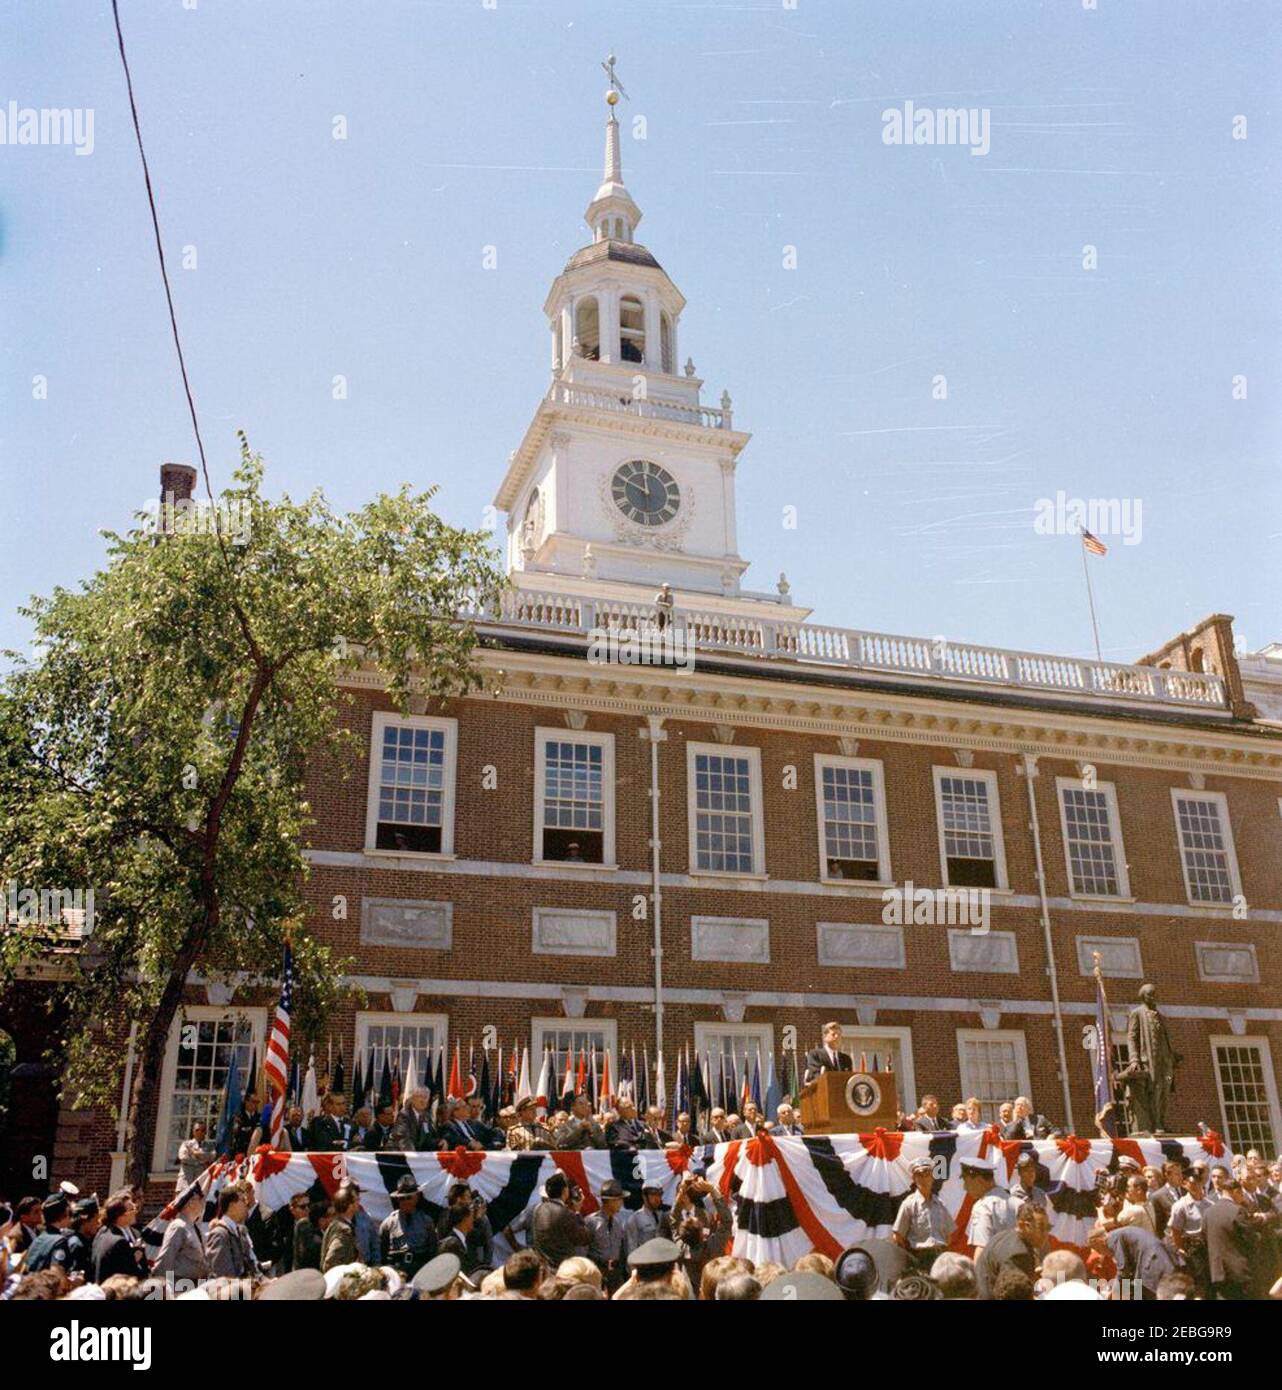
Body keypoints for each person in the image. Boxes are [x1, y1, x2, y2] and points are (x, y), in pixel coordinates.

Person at [976, 1203, 1050, 1299]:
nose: (1046, 1234)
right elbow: (1013, 1293)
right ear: (1022, 1225)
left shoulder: (1002, 1236)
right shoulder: (1018, 1255)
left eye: (1047, 1228)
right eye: (1041, 1228)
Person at [1203, 1180, 1258, 1300]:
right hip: (1238, 1273)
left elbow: (1205, 1239)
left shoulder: (1208, 1212)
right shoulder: (1237, 1210)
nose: (1242, 1198)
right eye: (1241, 1194)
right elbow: (1250, 1239)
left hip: (1217, 1273)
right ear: (1236, 1192)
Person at [892, 1157, 951, 1267]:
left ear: (933, 1177)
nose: (923, 1178)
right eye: (919, 1175)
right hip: (918, 1259)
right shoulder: (909, 1204)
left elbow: (948, 1235)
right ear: (914, 1178)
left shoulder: (940, 1205)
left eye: (927, 1174)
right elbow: (898, 1236)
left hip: (940, 1258)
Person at [378, 1174, 437, 1277]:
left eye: (409, 1197)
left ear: (416, 1197)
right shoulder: (388, 1223)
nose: (405, 1201)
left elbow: (433, 1250)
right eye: (402, 1198)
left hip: (420, 1271)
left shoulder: (427, 1221)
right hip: (396, 1272)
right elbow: (381, 1252)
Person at [961, 1155, 1017, 1259]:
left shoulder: (983, 1206)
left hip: (998, 1270)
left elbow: (982, 1248)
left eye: (966, 1181)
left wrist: (978, 1274)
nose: (964, 1187)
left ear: (979, 1180)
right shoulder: (1019, 1203)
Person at [530, 1172, 589, 1267]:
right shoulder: (566, 1214)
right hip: (562, 1268)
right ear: (565, 1191)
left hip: (544, 1268)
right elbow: (583, 1238)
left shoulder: (538, 1209)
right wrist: (577, 1212)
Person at [1106, 1223, 1176, 1300]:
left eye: (1097, 1249)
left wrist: (1114, 1293)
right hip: (1154, 1259)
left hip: (1151, 1262)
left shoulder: (1111, 1239)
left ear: (1097, 1241)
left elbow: (1123, 1270)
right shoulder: (1119, 1234)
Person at [91, 1189, 148, 1283]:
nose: (135, 1212)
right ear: (120, 1215)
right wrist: (134, 1259)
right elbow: (122, 1271)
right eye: (132, 1210)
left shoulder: (135, 1233)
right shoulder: (114, 1240)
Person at [153, 1189, 209, 1284]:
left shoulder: (194, 1229)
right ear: (191, 1203)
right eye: (199, 1199)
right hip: (179, 1286)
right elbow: (165, 1260)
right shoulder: (178, 1226)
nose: (203, 1203)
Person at [585, 1178, 628, 1292]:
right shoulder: (591, 1222)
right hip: (597, 1273)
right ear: (610, 1201)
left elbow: (621, 1252)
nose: (621, 1203)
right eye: (619, 1200)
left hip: (615, 1276)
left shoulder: (618, 1224)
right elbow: (582, 1252)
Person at [205, 1186, 257, 1278]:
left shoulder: (240, 1232)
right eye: (243, 1200)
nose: (247, 1204)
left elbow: (251, 1268)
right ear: (232, 1206)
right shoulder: (219, 1235)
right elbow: (224, 1277)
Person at [22, 1196, 73, 1273]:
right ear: (64, 1214)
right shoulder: (59, 1242)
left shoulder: (37, 1239)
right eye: (69, 1213)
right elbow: (57, 1274)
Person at [623, 1180, 673, 1257]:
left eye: (660, 1195)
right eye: (653, 1195)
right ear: (644, 1196)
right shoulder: (635, 1219)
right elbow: (631, 1249)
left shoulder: (664, 1216)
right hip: (645, 1265)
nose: (657, 1199)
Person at [320, 1186, 360, 1271]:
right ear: (349, 1205)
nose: (359, 1203)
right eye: (357, 1200)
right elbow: (330, 1262)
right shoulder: (344, 1230)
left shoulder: (335, 1224)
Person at [389, 1087, 437, 1151]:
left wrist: (440, 1142)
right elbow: (403, 1138)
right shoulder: (404, 1115)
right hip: (397, 1154)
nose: (423, 1100)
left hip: (416, 1155)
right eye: (420, 1097)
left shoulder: (426, 1116)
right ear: (413, 1099)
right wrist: (413, 1156)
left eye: (425, 1097)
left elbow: (428, 1138)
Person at [175, 1121, 215, 1193]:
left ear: (205, 1132)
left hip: (200, 1185)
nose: (199, 1132)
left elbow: (212, 1156)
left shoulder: (210, 1146)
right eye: (197, 1130)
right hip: (185, 1183)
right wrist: (203, 1160)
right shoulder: (186, 1144)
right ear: (193, 1131)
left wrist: (196, 1153)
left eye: (202, 1130)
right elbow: (183, 1158)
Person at [292, 1197, 331, 1271]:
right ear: (322, 1221)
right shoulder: (317, 1243)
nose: (335, 1218)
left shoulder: (304, 1224)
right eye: (332, 1215)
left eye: (309, 1205)